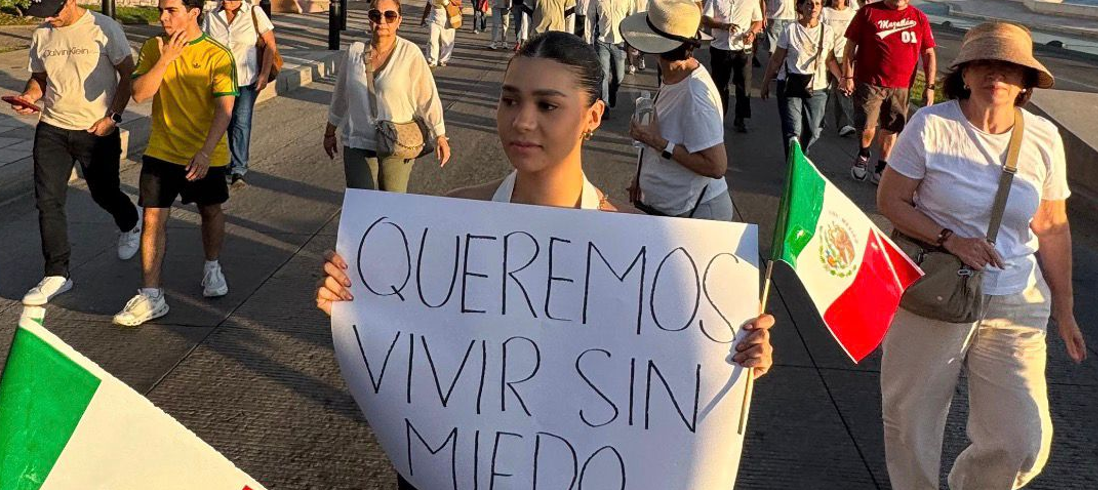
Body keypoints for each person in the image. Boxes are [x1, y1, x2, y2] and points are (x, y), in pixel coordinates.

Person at [315, 31, 776, 490]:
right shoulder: (450, 222)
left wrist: (736, 357)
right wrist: (355, 296)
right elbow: (409, 363)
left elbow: (677, 380)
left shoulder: (644, 247)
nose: (521, 122)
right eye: (510, 101)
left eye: (547, 106)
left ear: (592, 116)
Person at [877, 21, 1085, 490]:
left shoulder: (1044, 139)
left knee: (1022, 441)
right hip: (936, 290)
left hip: (1015, 299)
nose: (997, 76)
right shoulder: (931, 125)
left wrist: (1066, 311)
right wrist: (952, 239)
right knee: (911, 420)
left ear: (1026, 83)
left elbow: (1052, 227)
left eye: (1010, 68)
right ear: (965, 74)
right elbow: (891, 202)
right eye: (985, 64)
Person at [13, 0, 141, 307]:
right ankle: (57, 273)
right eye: (44, 12)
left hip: (96, 130)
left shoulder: (104, 28)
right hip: (52, 128)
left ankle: (130, 220)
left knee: (104, 192)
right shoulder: (42, 34)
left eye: (54, 10)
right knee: (47, 200)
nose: (49, 17)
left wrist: (112, 118)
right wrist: (28, 96)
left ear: (72, 0)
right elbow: (39, 78)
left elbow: (127, 74)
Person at [116, 0, 237, 326]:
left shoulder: (217, 54)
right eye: (161, 11)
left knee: (210, 210)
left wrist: (205, 151)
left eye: (171, 11)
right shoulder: (155, 48)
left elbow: (224, 110)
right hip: (162, 149)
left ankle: (212, 266)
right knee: (152, 218)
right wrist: (167, 57)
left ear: (193, 13)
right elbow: (139, 93)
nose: (164, 18)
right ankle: (151, 295)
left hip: (204, 153)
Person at [325, 0, 451, 192]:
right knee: (361, 202)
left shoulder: (410, 53)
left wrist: (440, 135)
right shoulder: (354, 52)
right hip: (358, 139)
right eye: (376, 15)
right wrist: (330, 132)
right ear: (369, 20)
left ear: (399, 20)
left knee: (391, 204)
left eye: (389, 15)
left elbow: (427, 97)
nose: (382, 20)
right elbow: (341, 95)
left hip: (397, 140)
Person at [621, 0, 731, 220]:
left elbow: (716, 167)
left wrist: (656, 141)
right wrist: (640, 177)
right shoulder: (674, 76)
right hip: (673, 208)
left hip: (696, 214)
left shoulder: (695, 93)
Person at [841, 0, 937, 183]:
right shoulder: (868, 13)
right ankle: (864, 153)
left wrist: (929, 87)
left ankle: (882, 165)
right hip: (870, 81)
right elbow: (850, 47)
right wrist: (847, 75)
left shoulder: (919, 18)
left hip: (902, 85)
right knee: (867, 126)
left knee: (892, 128)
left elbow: (929, 53)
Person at [202, 0, 278, 187]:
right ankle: (223, 160)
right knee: (221, 120)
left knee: (241, 121)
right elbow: (205, 47)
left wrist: (263, 75)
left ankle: (238, 168)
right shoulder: (211, 16)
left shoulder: (254, 13)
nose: (228, 1)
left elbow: (270, 45)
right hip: (219, 79)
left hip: (247, 79)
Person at [759, 0, 841, 157]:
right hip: (790, 84)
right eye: (809, 4)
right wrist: (765, 83)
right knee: (793, 130)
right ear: (801, 7)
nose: (813, 8)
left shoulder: (827, 31)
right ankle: (793, 168)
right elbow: (776, 59)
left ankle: (802, 157)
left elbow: (830, 59)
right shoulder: (790, 30)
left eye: (817, 4)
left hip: (818, 87)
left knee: (814, 130)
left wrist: (842, 79)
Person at [702, 0, 764, 132]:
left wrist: (752, 33)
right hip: (720, 47)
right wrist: (723, 25)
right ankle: (719, 117)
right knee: (720, 85)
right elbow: (705, 19)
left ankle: (741, 118)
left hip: (742, 48)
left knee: (743, 85)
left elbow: (758, 21)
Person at [585, 0, 637, 116]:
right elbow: (590, 19)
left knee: (619, 77)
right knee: (603, 75)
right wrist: (588, 40)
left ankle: (613, 92)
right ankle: (605, 105)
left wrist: (632, 41)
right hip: (602, 41)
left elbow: (631, 17)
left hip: (619, 42)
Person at [822, 0, 857, 137]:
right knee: (822, 89)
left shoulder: (852, 13)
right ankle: (817, 119)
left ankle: (844, 124)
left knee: (842, 90)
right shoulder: (824, 12)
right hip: (824, 56)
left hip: (843, 57)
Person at [420, 0, 462, 67]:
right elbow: (428, 5)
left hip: (448, 20)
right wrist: (423, 18)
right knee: (432, 40)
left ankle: (443, 59)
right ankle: (432, 60)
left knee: (447, 42)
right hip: (434, 20)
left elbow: (459, 3)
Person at [624, 0, 654, 75]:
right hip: (630, 17)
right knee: (629, 42)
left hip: (643, 18)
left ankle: (641, 57)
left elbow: (653, 1)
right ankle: (631, 64)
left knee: (642, 41)